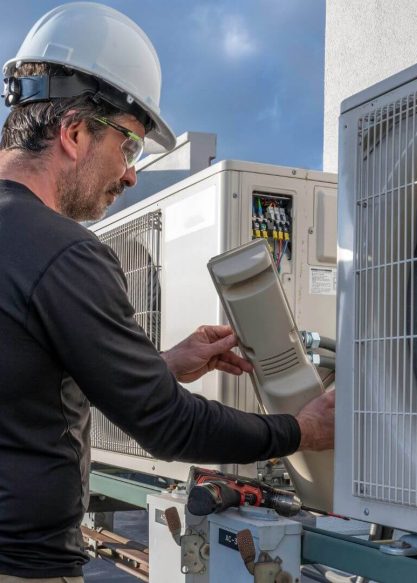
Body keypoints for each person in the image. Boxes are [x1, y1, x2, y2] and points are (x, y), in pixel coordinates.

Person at [0, 3, 335, 582]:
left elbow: (23, 374)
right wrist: (301, 430)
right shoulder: (65, 254)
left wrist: (158, 366)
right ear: (75, 132)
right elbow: (168, 426)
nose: (131, 175)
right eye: (129, 146)